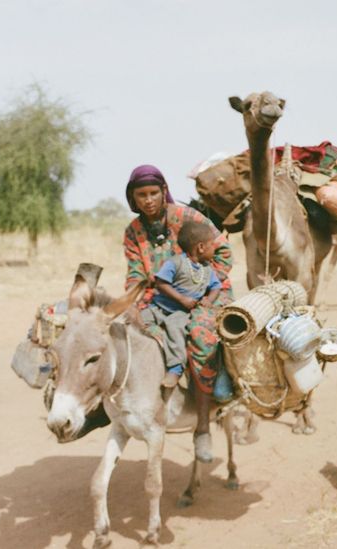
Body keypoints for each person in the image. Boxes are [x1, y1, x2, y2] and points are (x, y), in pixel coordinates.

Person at [123, 164, 234, 462]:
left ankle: (202, 427)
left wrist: (201, 287)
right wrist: (132, 302)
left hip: (207, 294)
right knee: (128, 333)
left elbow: (223, 253)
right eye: (141, 195)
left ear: (163, 192)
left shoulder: (187, 217)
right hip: (160, 296)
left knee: (198, 334)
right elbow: (135, 274)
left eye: (153, 193)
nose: (148, 200)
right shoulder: (133, 232)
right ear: (133, 198)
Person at [141, 221, 222, 389]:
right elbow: (161, 283)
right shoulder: (175, 262)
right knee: (138, 320)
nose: (214, 249)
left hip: (181, 313)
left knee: (175, 328)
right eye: (212, 245)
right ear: (200, 247)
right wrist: (181, 298)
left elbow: (216, 287)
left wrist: (209, 300)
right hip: (159, 307)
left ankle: (175, 367)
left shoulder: (207, 270)